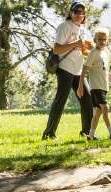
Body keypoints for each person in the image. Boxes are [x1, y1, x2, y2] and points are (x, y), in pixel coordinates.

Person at [42, 2, 94, 141]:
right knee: (61, 100)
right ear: (71, 13)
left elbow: (81, 51)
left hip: (78, 70)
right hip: (65, 68)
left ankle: (87, 132)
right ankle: (49, 133)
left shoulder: (82, 29)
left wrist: (86, 48)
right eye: (76, 12)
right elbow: (57, 49)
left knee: (87, 98)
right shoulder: (64, 26)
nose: (79, 15)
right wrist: (76, 44)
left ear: (84, 16)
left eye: (82, 12)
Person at [81, 27, 111, 141]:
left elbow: (105, 72)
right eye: (99, 39)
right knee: (105, 108)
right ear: (95, 40)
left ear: (107, 41)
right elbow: (85, 69)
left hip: (103, 87)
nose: (102, 41)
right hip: (96, 87)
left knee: (98, 112)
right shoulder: (93, 53)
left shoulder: (104, 54)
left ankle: (90, 136)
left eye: (104, 39)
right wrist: (80, 85)